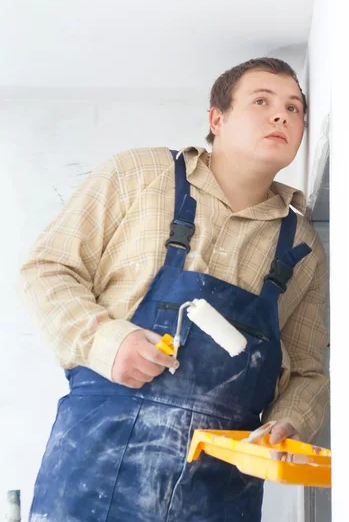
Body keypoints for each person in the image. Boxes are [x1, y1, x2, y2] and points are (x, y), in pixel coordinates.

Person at [20, 57, 329, 522]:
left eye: (295, 108)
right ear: (216, 119)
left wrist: (288, 422)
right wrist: (109, 342)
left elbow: (307, 370)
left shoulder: (302, 245)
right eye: (261, 101)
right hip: (97, 470)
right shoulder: (139, 176)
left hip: (217, 490)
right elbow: (47, 268)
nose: (281, 115)